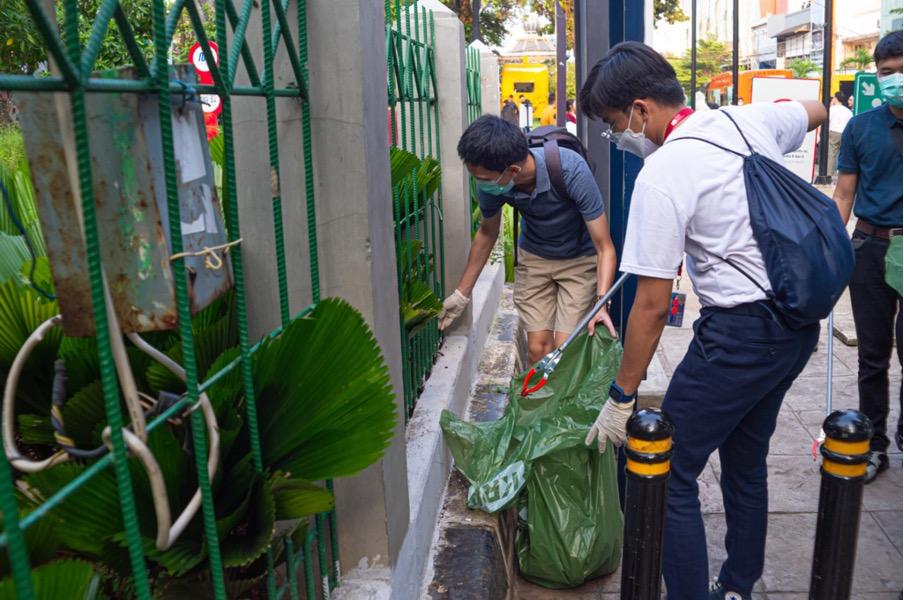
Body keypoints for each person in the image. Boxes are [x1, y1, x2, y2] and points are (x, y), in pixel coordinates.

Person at [579, 41, 826, 600]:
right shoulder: (746, 119)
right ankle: (738, 584)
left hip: (739, 336)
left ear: (641, 109)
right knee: (746, 457)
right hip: (795, 324)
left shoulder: (664, 173)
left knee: (664, 467)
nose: (619, 137)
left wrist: (622, 397)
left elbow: (649, 303)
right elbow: (814, 110)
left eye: (616, 124)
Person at [438, 115, 618, 364]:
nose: (480, 185)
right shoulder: (492, 182)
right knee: (537, 349)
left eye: (483, 179)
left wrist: (601, 303)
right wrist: (461, 295)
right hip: (534, 258)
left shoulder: (570, 169)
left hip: (579, 259)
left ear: (512, 171)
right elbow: (487, 233)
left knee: (564, 351)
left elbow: (604, 247)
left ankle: (560, 402)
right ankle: (539, 402)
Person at [833, 30, 903, 482]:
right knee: (873, 355)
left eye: (901, 70)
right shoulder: (861, 128)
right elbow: (843, 194)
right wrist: (825, 246)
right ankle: (874, 443)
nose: (895, 79)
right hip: (871, 247)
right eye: (887, 73)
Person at [828, 91, 853, 179]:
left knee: (831, 153)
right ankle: (841, 173)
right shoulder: (847, 111)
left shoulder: (832, 109)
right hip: (845, 133)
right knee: (843, 154)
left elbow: (827, 121)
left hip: (833, 132)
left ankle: (828, 175)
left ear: (835, 98)